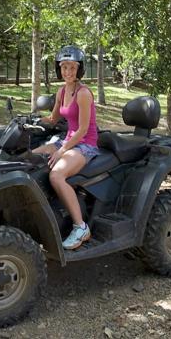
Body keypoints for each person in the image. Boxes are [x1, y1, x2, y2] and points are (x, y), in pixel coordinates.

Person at [33, 45, 100, 250]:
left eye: (72, 67)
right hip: (67, 141)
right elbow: (53, 119)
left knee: (56, 175)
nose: (67, 72)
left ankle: (80, 227)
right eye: (64, 67)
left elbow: (81, 130)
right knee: (30, 156)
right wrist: (31, 119)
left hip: (85, 145)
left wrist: (61, 150)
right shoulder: (61, 91)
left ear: (79, 69)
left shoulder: (83, 93)